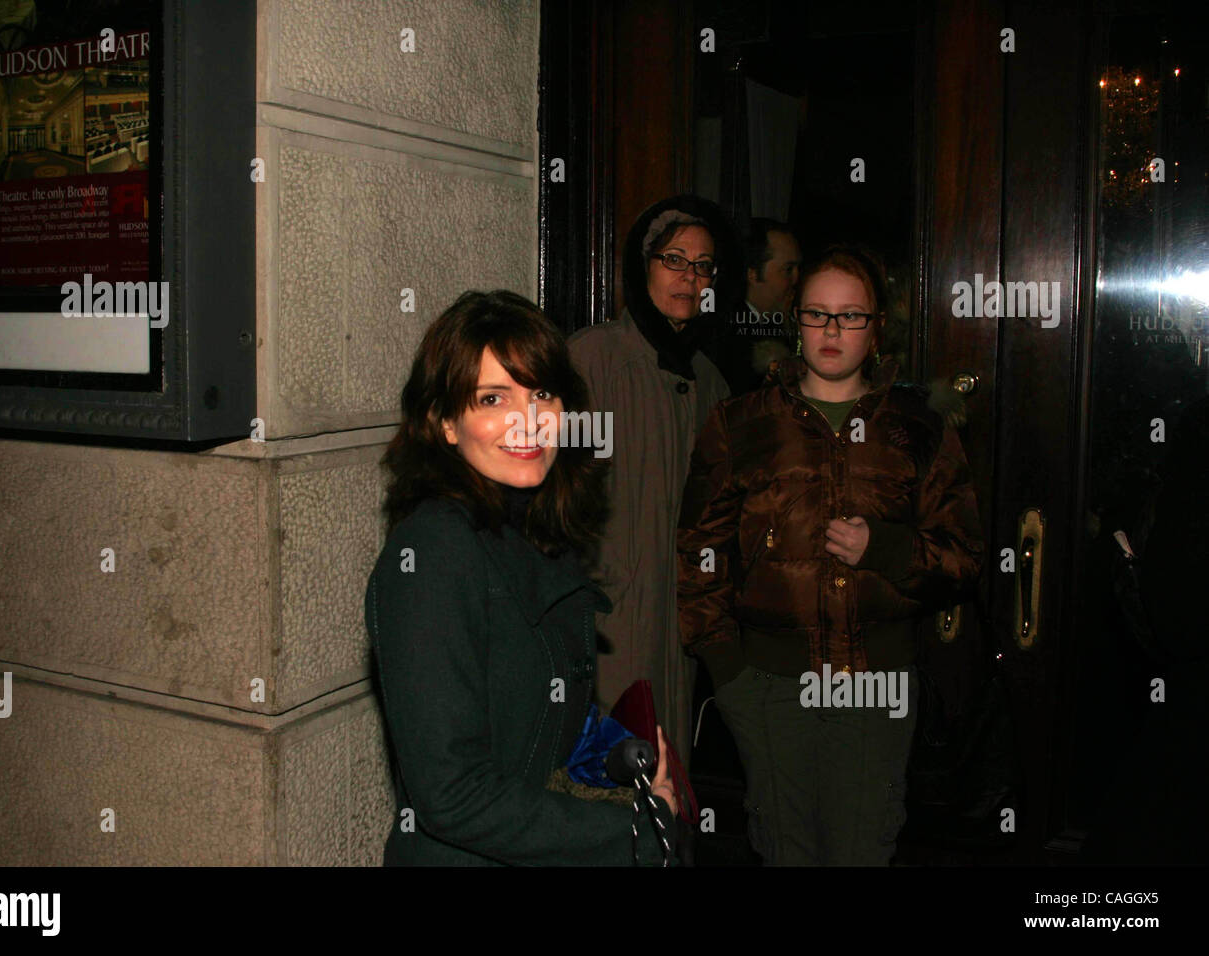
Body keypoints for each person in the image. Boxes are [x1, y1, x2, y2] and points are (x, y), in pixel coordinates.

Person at [677, 245, 983, 865]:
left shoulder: (919, 427)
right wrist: (727, 669)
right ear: (797, 321)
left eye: (851, 317)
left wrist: (888, 548)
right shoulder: (740, 423)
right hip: (768, 685)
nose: (833, 331)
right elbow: (698, 553)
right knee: (784, 849)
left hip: (875, 685)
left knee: (859, 850)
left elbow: (963, 557)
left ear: (876, 331)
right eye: (818, 315)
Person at [366, 289, 678, 866]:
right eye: (492, 398)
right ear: (444, 423)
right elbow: (453, 798)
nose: (528, 421)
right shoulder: (433, 553)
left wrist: (609, 753)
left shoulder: (533, 531)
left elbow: (531, 713)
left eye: (541, 392)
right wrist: (635, 829)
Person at [568, 195, 742, 772]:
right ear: (642, 267)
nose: (689, 277)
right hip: (608, 622)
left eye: (703, 265)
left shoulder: (708, 379)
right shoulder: (592, 360)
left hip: (677, 624)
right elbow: (546, 493)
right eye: (674, 259)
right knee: (611, 779)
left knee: (671, 780)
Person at [717, 219, 802, 394]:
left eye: (797, 269)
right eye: (788, 269)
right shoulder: (725, 335)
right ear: (753, 274)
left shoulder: (780, 324)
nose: (796, 279)